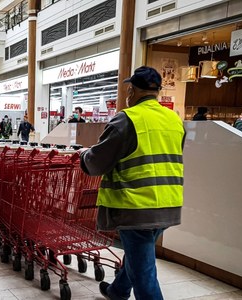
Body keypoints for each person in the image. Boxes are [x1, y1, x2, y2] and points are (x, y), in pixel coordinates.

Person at [80, 66, 185, 300]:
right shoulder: (174, 119)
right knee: (139, 254)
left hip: (136, 205)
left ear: (133, 90)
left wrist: (84, 155)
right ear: (156, 91)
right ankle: (118, 291)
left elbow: (97, 162)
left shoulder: (127, 120)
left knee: (144, 272)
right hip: (168, 203)